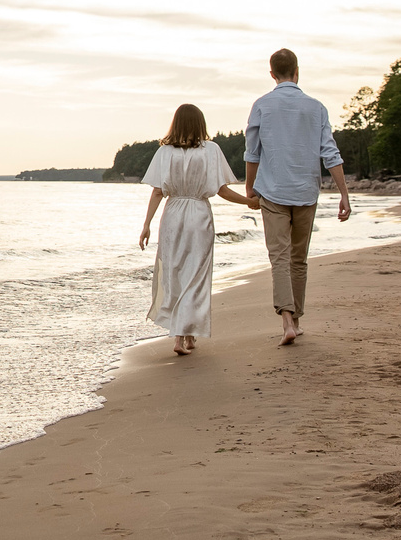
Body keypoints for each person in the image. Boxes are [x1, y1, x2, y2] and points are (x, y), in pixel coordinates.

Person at [242, 48, 351, 346]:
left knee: (279, 257)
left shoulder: (262, 105)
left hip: (273, 191)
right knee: (298, 259)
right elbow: (330, 152)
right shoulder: (316, 108)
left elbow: (253, 153)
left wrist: (249, 187)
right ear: (297, 71)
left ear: (272, 74)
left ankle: (287, 320)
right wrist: (344, 194)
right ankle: (297, 320)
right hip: (306, 191)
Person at [136, 103, 252, 355]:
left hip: (173, 213)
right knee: (196, 275)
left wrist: (146, 225)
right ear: (200, 123)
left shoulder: (165, 152)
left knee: (175, 272)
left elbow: (158, 191)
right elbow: (222, 190)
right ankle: (183, 335)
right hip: (199, 213)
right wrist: (249, 201)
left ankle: (183, 335)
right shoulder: (211, 150)